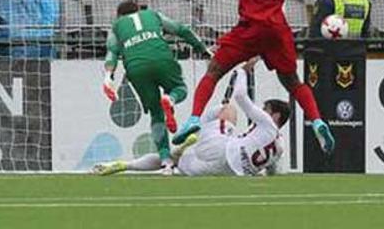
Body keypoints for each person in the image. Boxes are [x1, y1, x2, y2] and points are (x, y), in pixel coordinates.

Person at [164, 0, 355, 154]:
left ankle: (194, 118)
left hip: (250, 28)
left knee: (214, 71)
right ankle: (317, 121)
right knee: (293, 82)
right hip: (277, 29)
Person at [94, 64, 290, 177]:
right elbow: (272, 171)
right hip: (224, 172)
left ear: (275, 116)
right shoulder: (280, 145)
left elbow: (240, 96)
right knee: (172, 161)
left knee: (228, 109)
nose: (262, 111)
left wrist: (242, 71)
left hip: (221, 148)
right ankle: (127, 165)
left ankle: (193, 127)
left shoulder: (266, 123)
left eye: (266, 109)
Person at [101, 0, 211, 174]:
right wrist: (202, 49)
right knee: (180, 89)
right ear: (138, 9)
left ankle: (166, 161)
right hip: (162, 59)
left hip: (136, 67)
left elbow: (112, 52)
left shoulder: (117, 26)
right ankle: (171, 99)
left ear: (120, 15)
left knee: (156, 114)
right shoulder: (153, 15)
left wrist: (108, 77)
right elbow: (181, 30)